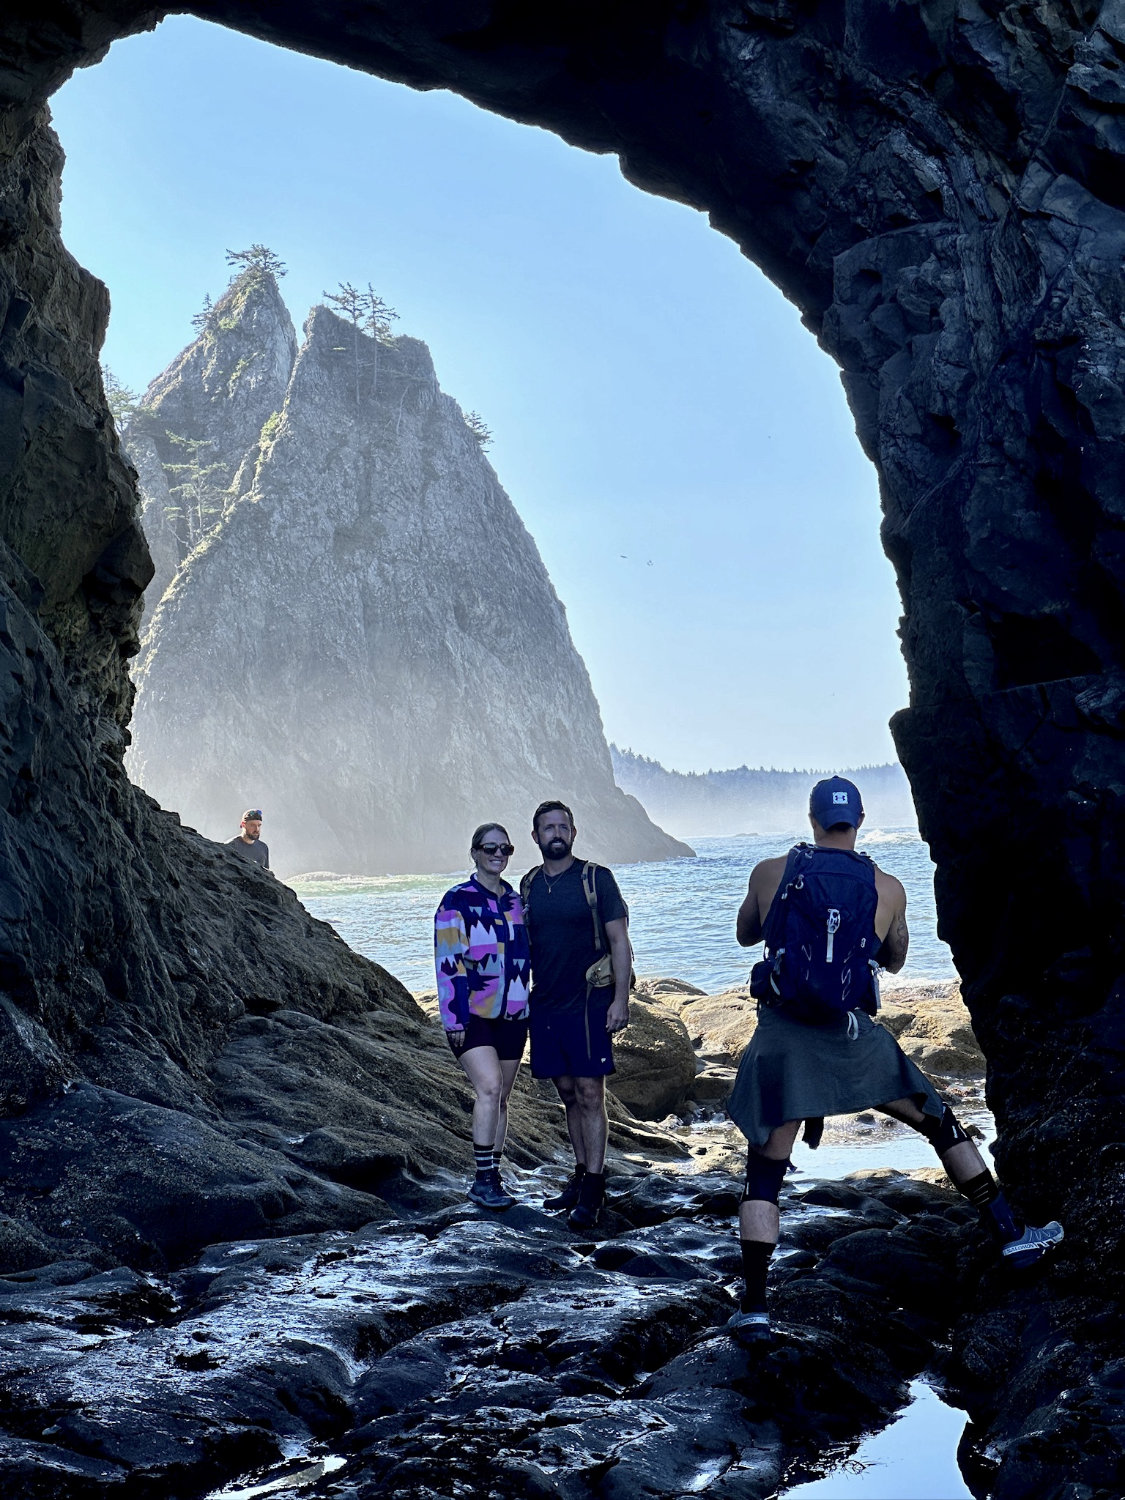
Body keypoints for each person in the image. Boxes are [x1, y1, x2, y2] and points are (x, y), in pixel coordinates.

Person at [725, 775, 1064, 1342]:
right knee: (940, 1124)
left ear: (812, 819)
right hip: (853, 1036)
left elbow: (745, 934)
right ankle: (1012, 1237)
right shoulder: (886, 886)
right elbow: (898, 959)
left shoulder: (770, 871)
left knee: (763, 1176)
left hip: (783, 1040)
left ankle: (755, 1308)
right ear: (857, 821)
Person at [520, 800, 631, 1230]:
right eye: (548, 828)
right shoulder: (528, 885)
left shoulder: (596, 879)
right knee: (566, 1091)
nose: (556, 834)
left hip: (588, 1000)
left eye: (563, 827)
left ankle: (595, 1189)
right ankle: (581, 1171)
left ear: (573, 832)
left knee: (590, 1093)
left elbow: (619, 942)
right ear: (535, 837)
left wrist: (620, 1000)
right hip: (545, 1001)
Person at [434, 822, 532, 1210]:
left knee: (503, 1098)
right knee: (489, 1087)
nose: (498, 855)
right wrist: (453, 1017)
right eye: (489, 848)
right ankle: (482, 1180)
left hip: (514, 1013)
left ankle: (494, 1174)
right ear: (474, 852)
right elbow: (448, 961)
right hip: (472, 1014)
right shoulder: (456, 900)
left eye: (505, 849)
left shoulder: (518, 902)